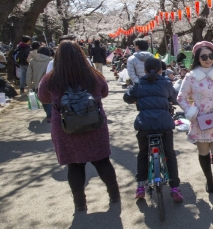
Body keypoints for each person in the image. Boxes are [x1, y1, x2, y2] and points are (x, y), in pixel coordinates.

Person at [37, 40, 119, 212]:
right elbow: (104, 92)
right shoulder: (94, 76)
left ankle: (80, 204)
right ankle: (114, 196)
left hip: (66, 128)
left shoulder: (50, 79)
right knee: (102, 160)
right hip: (94, 124)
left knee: (74, 165)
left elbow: (43, 98)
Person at [177, 41, 213, 199]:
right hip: (199, 121)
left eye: (211, 56)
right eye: (204, 57)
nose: (208, 59)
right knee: (203, 152)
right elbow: (181, 97)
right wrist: (191, 111)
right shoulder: (191, 76)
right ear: (197, 58)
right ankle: (209, 180)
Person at [123, 57, 183, 202]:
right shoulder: (166, 83)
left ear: (144, 70)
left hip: (144, 125)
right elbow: (175, 99)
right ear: (160, 70)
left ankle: (140, 187)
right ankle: (174, 187)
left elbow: (127, 98)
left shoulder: (139, 84)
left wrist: (136, 99)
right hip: (164, 124)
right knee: (170, 154)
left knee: (143, 154)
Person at [27, 47, 53, 122]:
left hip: (37, 84)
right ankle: (50, 115)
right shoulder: (50, 60)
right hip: (48, 83)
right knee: (50, 100)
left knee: (43, 99)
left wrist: (29, 85)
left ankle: (48, 114)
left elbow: (29, 74)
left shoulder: (33, 61)